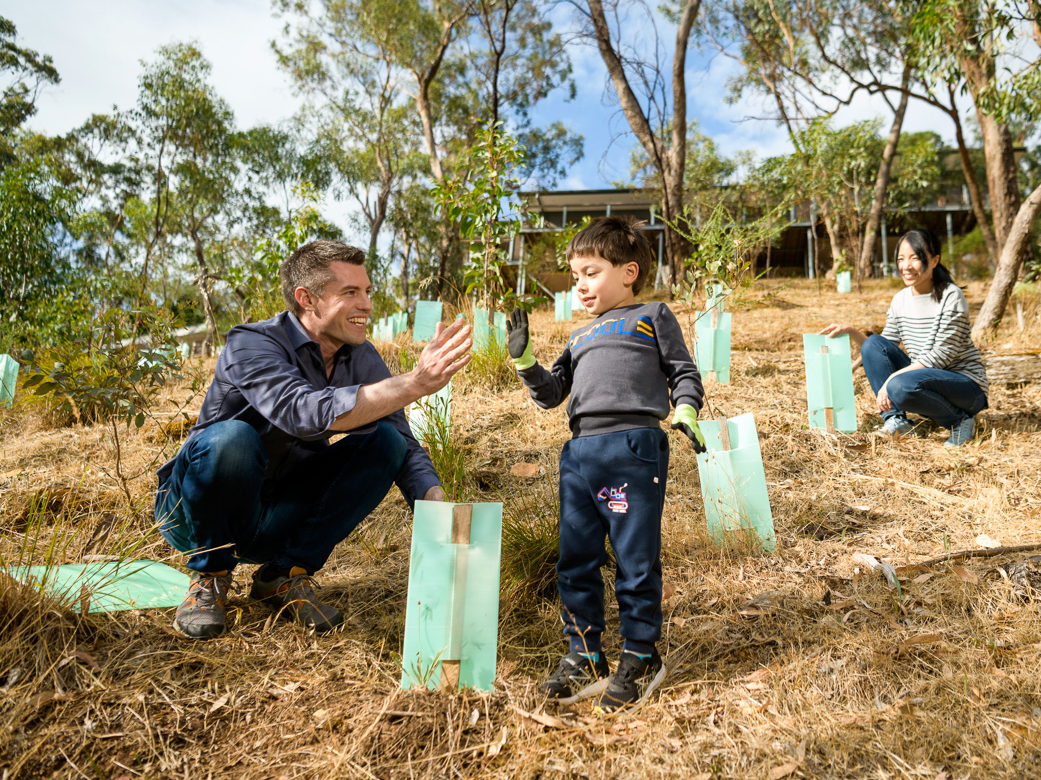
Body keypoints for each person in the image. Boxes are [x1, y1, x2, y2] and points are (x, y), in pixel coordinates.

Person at [155, 239, 472, 640]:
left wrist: (433, 501)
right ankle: (209, 576)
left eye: (367, 291)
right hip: (199, 513)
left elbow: (404, 444)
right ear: (307, 299)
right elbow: (301, 413)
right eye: (350, 292)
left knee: (388, 442)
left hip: (279, 512)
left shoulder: (361, 357)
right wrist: (415, 383)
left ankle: (284, 575)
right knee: (233, 439)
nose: (367, 305)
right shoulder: (251, 342)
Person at [506, 216, 706, 712]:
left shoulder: (652, 315)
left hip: (633, 448)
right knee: (575, 559)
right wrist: (526, 362)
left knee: (635, 559)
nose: (580, 285)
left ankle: (641, 653)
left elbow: (683, 371)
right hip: (579, 454)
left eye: (591, 273)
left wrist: (686, 410)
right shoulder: (578, 336)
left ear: (628, 272)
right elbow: (552, 394)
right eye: (575, 276)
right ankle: (585, 654)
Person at [820, 228, 988, 447]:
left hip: (965, 387)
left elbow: (941, 356)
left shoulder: (951, 295)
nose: (906, 266)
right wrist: (852, 332)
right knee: (873, 344)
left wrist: (891, 380)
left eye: (915, 258)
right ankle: (896, 420)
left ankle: (960, 420)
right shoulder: (900, 300)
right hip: (923, 382)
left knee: (899, 385)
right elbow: (882, 349)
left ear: (934, 260)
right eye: (901, 259)